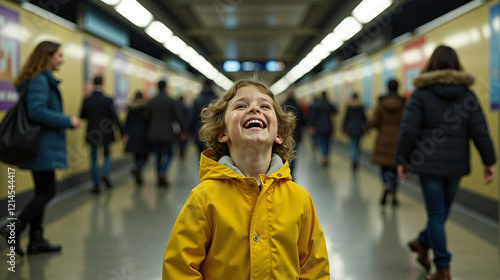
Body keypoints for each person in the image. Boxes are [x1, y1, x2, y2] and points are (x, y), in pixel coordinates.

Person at [162, 79, 330, 279]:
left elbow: (314, 268)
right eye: (241, 105)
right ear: (222, 133)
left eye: (265, 106)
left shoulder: (300, 200)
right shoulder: (204, 198)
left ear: (279, 134)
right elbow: (179, 269)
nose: (254, 109)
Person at [396, 45, 496, 280]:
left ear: (431, 64)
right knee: (440, 214)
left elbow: (408, 130)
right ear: (456, 65)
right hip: (456, 163)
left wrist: (403, 159)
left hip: (428, 162)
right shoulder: (467, 94)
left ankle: (431, 254)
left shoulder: (421, 93)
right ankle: (436, 259)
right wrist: (488, 161)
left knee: (437, 215)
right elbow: (480, 131)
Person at [0, 41, 82, 256]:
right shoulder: (40, 81)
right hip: (42, 146)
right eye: (59, 55)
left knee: (41, 191)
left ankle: (36, 240)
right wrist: (67, 120)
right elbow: (36, 111)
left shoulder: (40, 79)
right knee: (48, 191)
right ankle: (15, 227)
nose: (62, 60)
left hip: (41, 145)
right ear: (47, 56)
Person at [80, 76, 124, 194]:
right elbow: (114, 117)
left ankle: (96, 185)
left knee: (93, 160)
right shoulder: (108, 100)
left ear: (93, 84)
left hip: (92, 133)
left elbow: (82, 116)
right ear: (103, 84)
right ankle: (105, 172)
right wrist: (122, 132)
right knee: (107, 155)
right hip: (106, 132)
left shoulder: (87, 99)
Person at [371, 79, 406, 206]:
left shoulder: (381, 103)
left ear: (387, 88)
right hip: (398, 140)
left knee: (384, 167)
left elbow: (374, 122)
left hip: (383, 140)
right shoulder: (403, 104)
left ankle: (386, 185)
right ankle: (395, 194)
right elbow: (407, 122)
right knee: (396, 168)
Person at [144, 79, 184, 187]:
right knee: (170, 153)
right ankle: (163, 172)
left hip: (154, 133)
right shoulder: (171, 100)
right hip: (168, 133)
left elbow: (146, 117)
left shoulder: (151, 101)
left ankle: (158, 177)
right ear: (166, 87)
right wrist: (183, 130)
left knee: (158, 155)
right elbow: (177, 117)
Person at [123, 90, 149, 185]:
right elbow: (148, 120)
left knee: (136, 156)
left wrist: (125, 133)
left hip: (132, 134)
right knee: (145, 155)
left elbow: (127, 122)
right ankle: (137, 169)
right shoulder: (145, 107)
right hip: (143, 134)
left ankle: (138, 175)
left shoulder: (131, 108)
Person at [188, 78, 217, 154]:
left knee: (201, 155)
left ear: (203, 85)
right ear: (212, 85)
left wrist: (189, 131)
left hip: (199, 132)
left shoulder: (197, 100)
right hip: (213, 133)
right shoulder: (217, 100)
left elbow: (192, 117)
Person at [309, 91, 337, 166]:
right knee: (328, 142)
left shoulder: (317, 105)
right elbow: (335, 111)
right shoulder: (329, 104)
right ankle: (326, 155)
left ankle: (324, 156)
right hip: (329, 126)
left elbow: (313, 117)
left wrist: (312, 126)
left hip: (320, 126)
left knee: (322, 141)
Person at [281, 88, 305, 177]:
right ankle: (291, 172)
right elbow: (303, 121)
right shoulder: (298, 107)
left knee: (284, 153)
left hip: (284, 134)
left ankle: (286, 170)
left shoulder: (283, 106)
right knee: (294, 154)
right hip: (296, 134)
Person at [342, 92, 368, 171]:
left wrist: (344, 129)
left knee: (352, 145)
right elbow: (364, 119)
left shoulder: (349, 107)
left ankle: (354, 160)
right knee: (358, 146)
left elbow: (346, 119)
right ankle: (356, 161)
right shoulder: (361, 107)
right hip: (360, 129)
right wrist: (367, 129)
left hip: (351, 129)